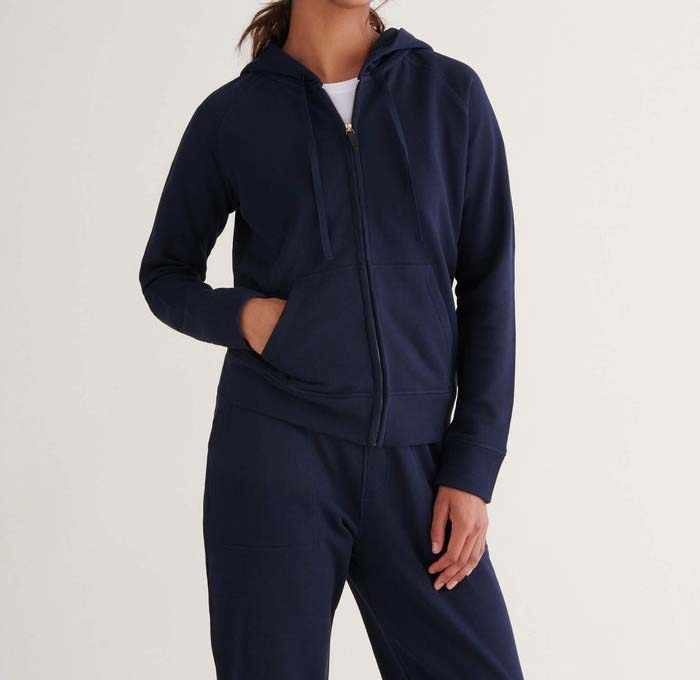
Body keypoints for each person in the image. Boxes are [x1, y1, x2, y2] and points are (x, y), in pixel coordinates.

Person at [139, 0, 523, 677]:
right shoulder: (234, 115)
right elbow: (165, 274)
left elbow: (489, 286)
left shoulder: (449, 95)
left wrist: (472, 468)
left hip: (418, 463)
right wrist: (247, 318)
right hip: (276, 454)